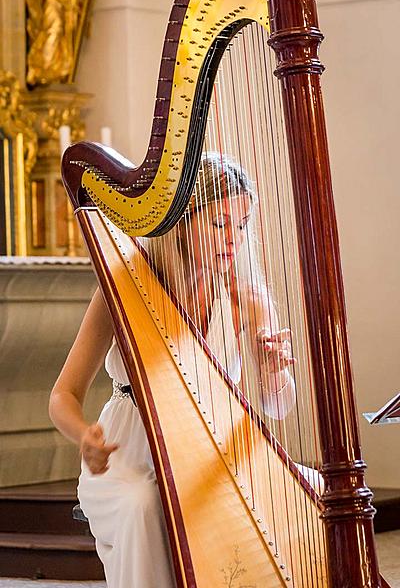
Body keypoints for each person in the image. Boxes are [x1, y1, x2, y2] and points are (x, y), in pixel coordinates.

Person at [49, 152, 296, 588]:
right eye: (219, 224)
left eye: (241, 227)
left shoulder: (247, 299)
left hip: (212, 457)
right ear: (181, 221)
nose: (232, 241)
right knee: (145, 504)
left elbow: (278, 407)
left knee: (303, 493)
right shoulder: (124, 288)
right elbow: (62, 396)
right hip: (125, 456)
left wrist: (275, 373)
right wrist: (84, 436)